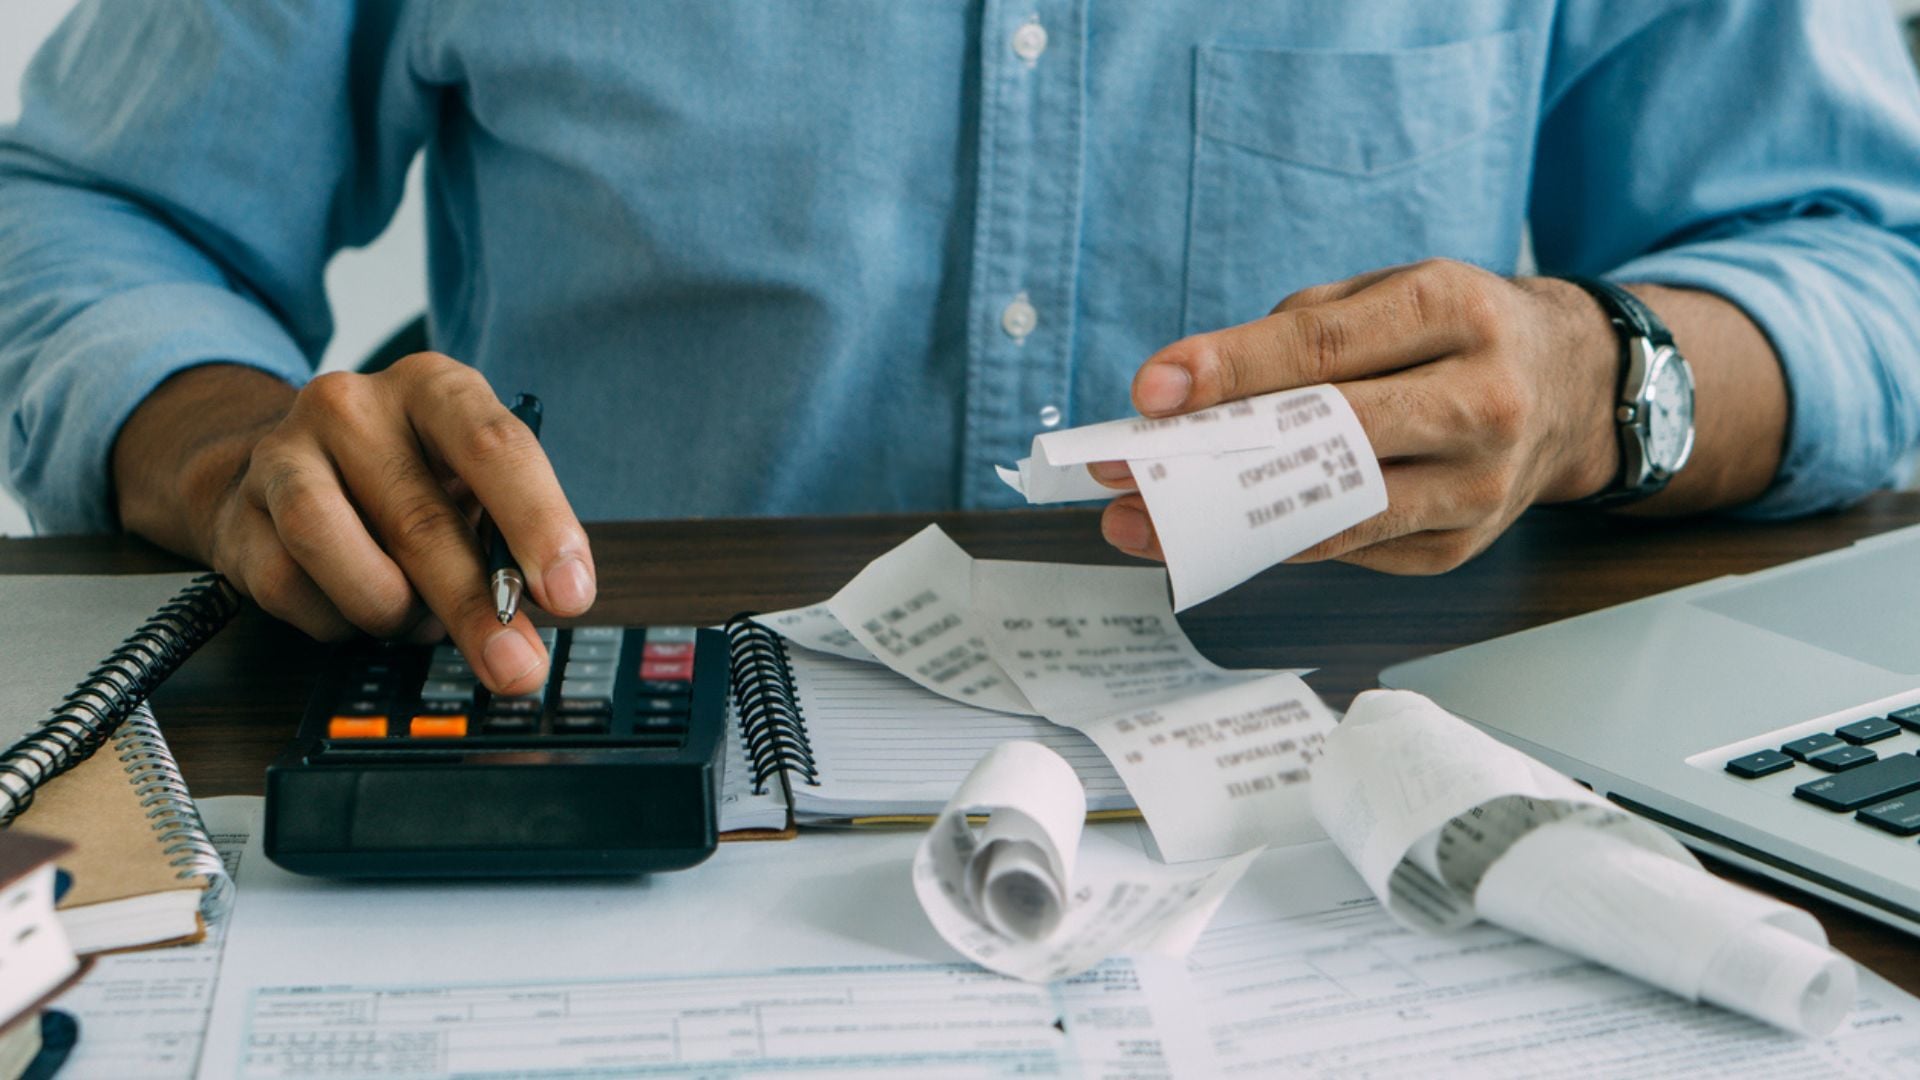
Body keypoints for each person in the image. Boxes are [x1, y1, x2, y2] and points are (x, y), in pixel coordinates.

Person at [2, 2, 1918, 697]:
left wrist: (1603, 376)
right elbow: (84, 206)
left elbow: (1861, 257)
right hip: (598, 757)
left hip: (1346, 826)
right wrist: (233, 448)